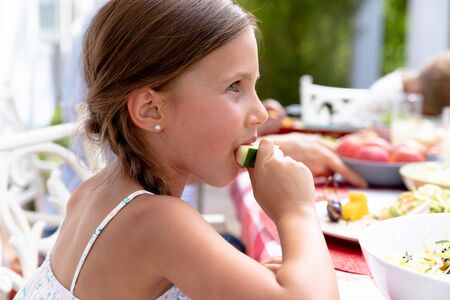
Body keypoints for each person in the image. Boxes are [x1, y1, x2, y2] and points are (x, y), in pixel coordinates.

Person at [15, 1, 339, 299]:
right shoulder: (162, 223)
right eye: (234, 87)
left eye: (253, 85)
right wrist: (296, 210)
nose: (260, 113)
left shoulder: (91, 193)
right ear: (151, 109)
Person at [336, 50, 450, 127]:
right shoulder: (385, 95)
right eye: (427, 113)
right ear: (415, 93)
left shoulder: (425, 81)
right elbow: (346, 124)